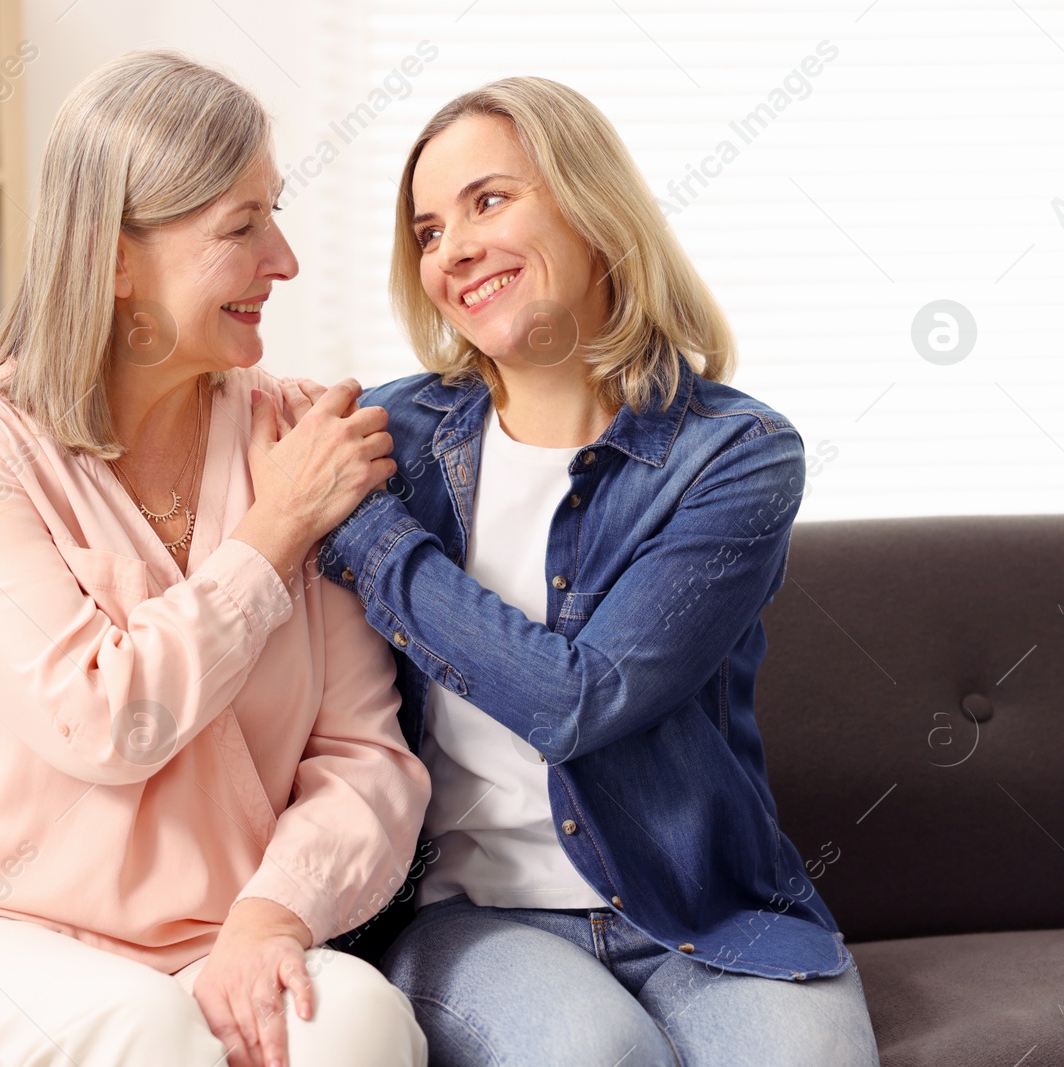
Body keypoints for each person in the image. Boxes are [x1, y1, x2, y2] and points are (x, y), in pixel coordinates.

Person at [0, 51, 430, 1067]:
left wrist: (274, 913)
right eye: (240, 227)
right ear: (112, 258)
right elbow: (101, 719)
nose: (283, 259)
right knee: (144, 1034)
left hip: (216, 938)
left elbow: (366, 757)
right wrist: (271, 531)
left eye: (273, 215)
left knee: (356, 1023)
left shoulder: (295, 433)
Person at [290, 76, 884, 1066]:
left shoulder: (731, 454)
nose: (455, 249)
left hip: (707, 913)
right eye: (428, 231)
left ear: (590, 203)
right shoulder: (391, 439)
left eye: (488, 200)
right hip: (472, 919)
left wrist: (364, 532)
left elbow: (582, 699)